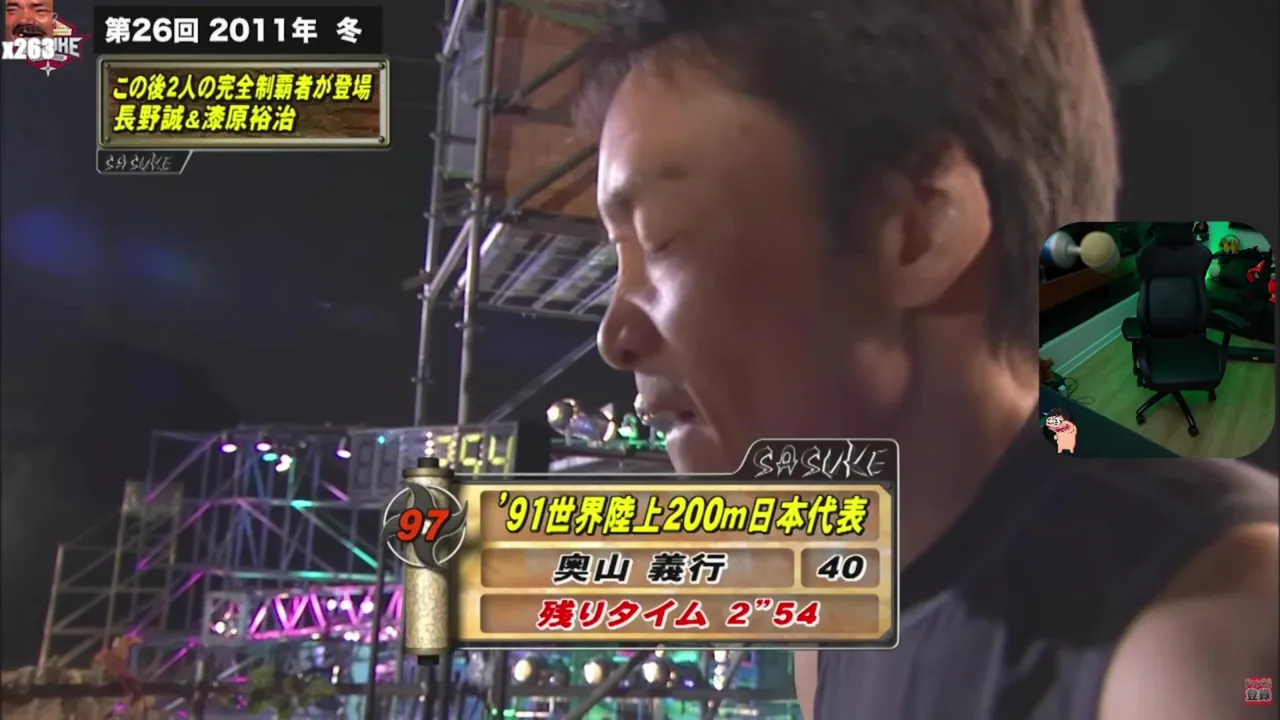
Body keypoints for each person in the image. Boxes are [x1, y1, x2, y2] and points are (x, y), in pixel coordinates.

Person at [577, 1, 1278, 718]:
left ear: (920, 228)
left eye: (662, 239)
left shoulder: (1200, 642)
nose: (614, 336)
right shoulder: (837, 627)